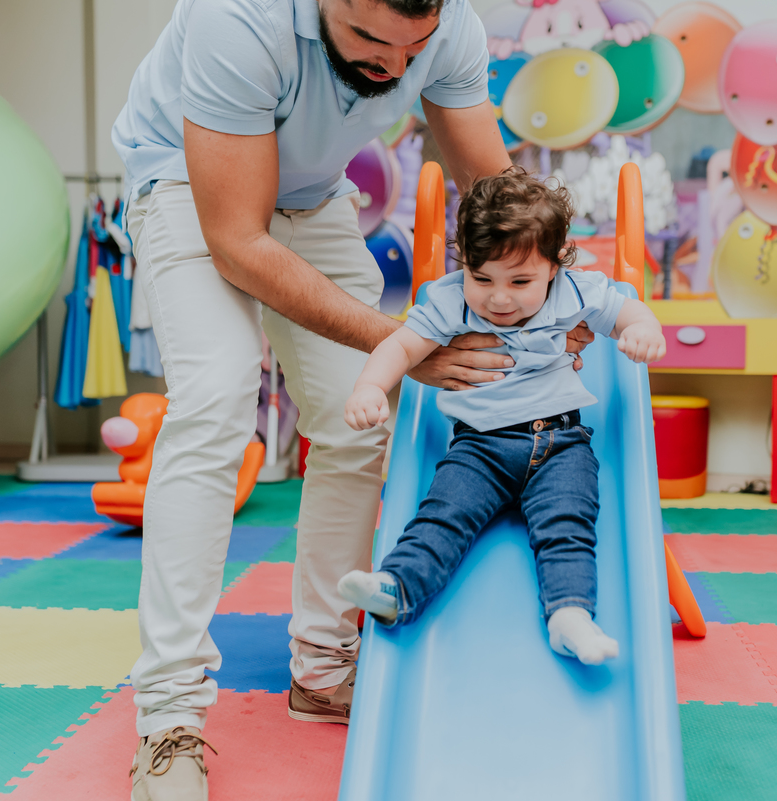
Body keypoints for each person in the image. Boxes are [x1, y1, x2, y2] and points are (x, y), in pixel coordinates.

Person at [110, 0, 595, 797]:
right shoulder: (240, 19)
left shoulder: (451, 29)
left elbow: (495, 187)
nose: (395, 67)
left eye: (416, 47)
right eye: (371, 40)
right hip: (191, 184)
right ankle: (169, 717)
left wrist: (565, 294)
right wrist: (403, 344)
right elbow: (237, 239)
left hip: (313, 197)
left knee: (358, 416)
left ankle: (323, 666)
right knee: (218, 394)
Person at [338, 169, 666, 665]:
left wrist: (643, 330)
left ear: (554, 267)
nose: (499, 297)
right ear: (464, 263)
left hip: (562, 444)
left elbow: (630, 313)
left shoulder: (575, 292)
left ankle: (569, 616)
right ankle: (397, 588)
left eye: (520, 281)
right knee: (442, 517)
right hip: (480, 449)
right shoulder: (451, 301)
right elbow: (401, 345)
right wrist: (369, 386)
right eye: (481, 277)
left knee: (568, 525)